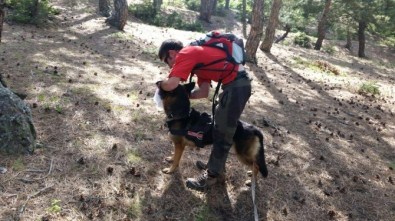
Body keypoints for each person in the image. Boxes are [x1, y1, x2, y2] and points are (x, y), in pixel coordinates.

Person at [157, 38, 252, 192]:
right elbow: (203, 92)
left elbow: (171, 84)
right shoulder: (198, 62)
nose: (169, 66)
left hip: (237, 86)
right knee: (220, 127)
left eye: (166, 61)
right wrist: (182, 96)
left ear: (172, 53)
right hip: (235, 86)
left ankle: (212, 176)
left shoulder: (186, 53)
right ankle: (216, 168)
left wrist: (160, 84)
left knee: (223, 132)